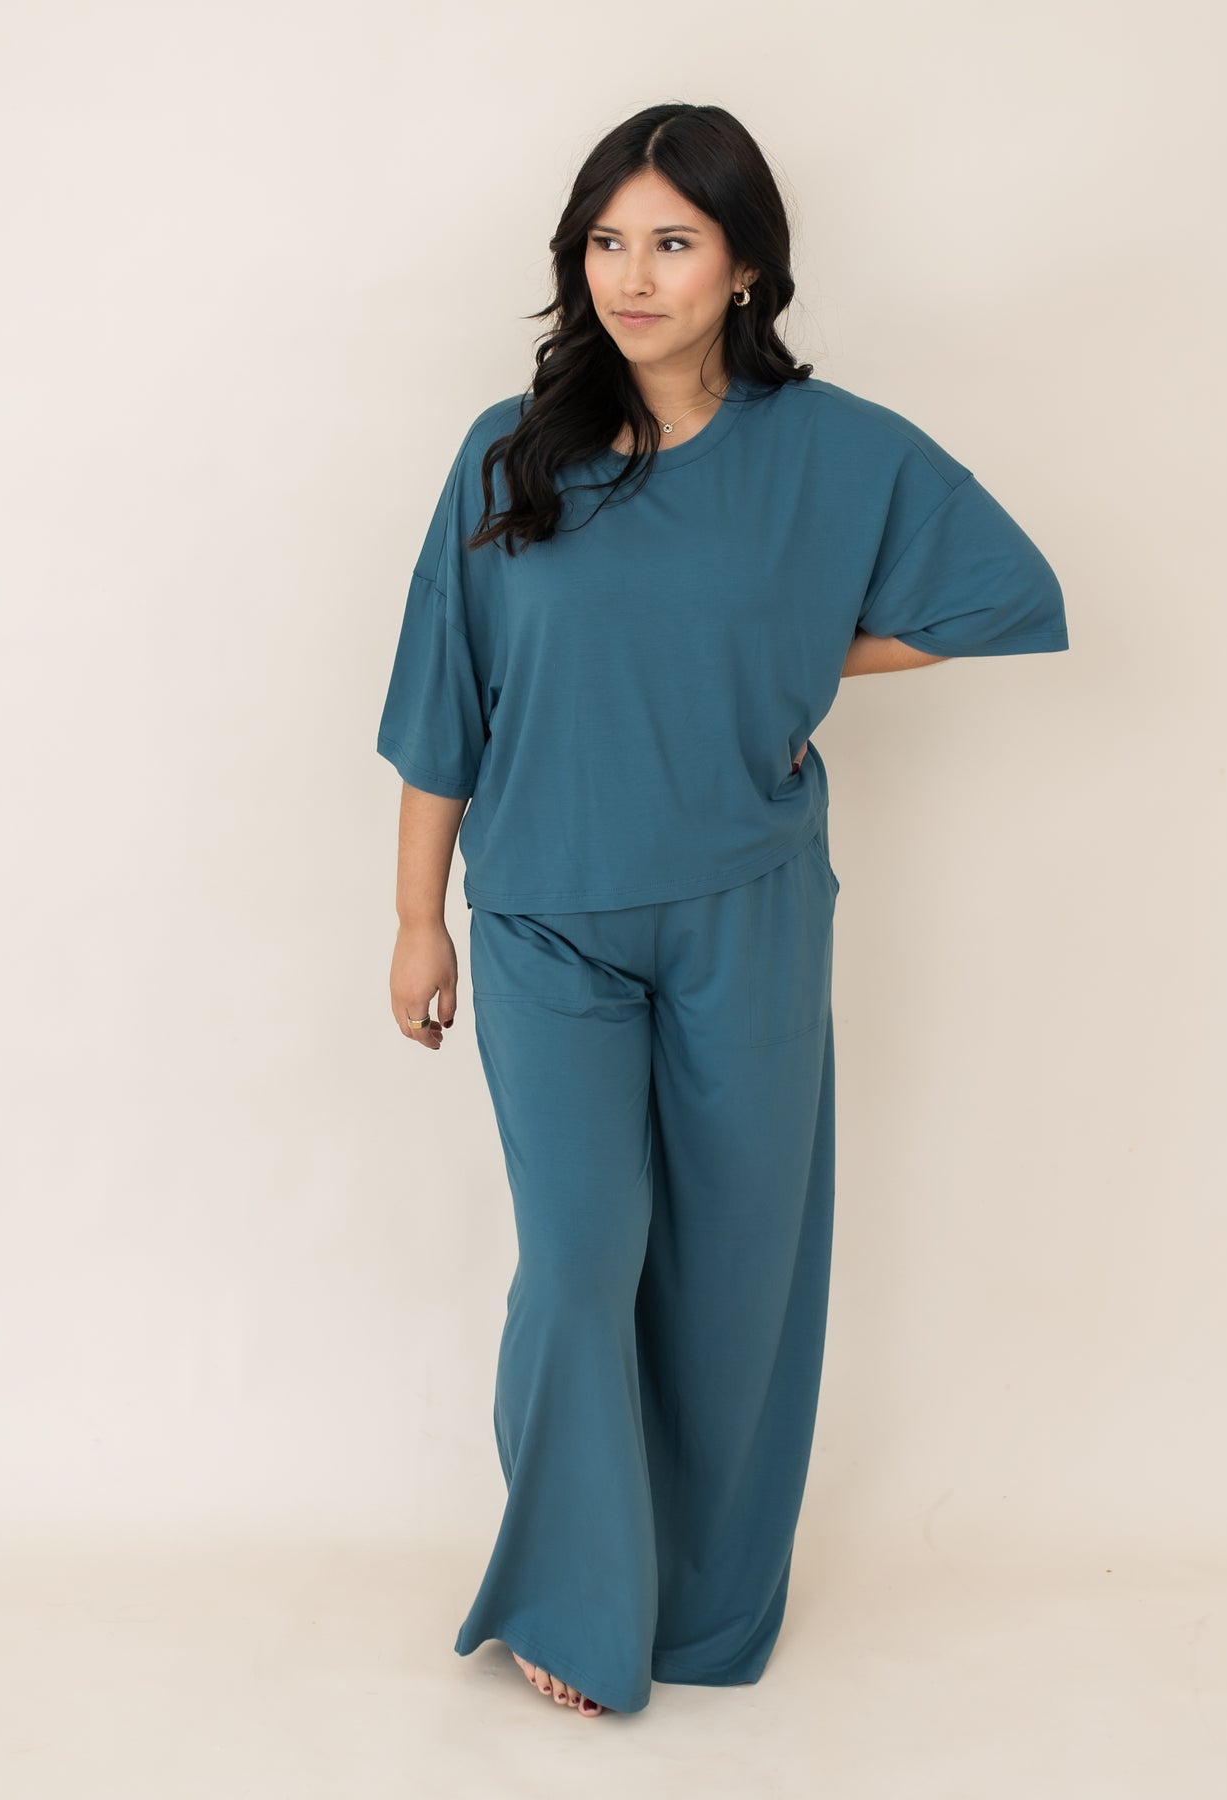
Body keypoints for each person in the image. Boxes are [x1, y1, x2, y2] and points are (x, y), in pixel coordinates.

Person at [377, 102, 1068, 1721]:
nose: (634, 274)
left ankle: (699, 1607)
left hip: (746, 911)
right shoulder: (507, 451)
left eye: (673, 241)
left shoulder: (835, 452)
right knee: (580, 1257)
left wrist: (791, 654)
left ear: (746, 265)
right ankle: (571, 1589)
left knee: (738, 1262)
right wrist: (418, 920)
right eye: (607, 242)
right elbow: (440, 705)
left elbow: (1004, 591)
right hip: (545, 919)